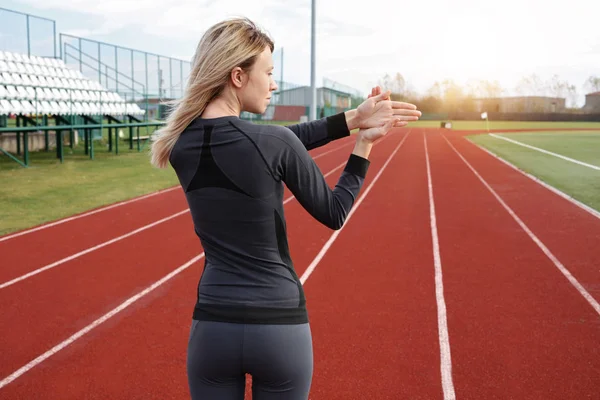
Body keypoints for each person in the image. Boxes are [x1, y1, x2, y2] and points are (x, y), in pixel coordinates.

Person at [150, 17, 421, 400]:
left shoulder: (178, 144)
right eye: (269, 72)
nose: (275, 84)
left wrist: (354, 118)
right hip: (278, 326)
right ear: (238, 76)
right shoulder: (271, 141)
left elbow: (270, 143)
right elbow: (334, 211)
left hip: (212, 329)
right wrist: (364, 144)